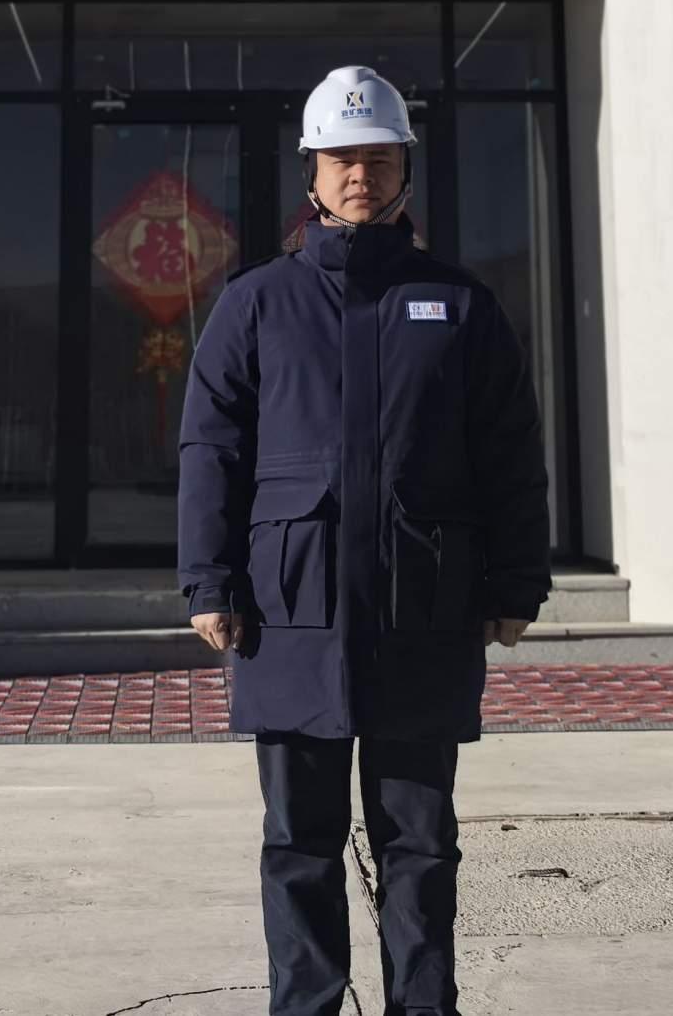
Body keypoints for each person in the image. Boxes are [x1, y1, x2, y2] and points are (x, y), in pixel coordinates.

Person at [175, 64, 552, 1016]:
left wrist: (516, 583)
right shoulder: (256, 304)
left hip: (423, 611)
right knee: (299, 843)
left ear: (404, 169)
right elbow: (212, 449)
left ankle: (424, 1005)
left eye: (378, 158)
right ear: (311, 170)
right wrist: (208, 580)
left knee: (420, 843)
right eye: (342, 158)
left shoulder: (458, 306)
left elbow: (509, 450)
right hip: (289, 612)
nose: (360, 175)